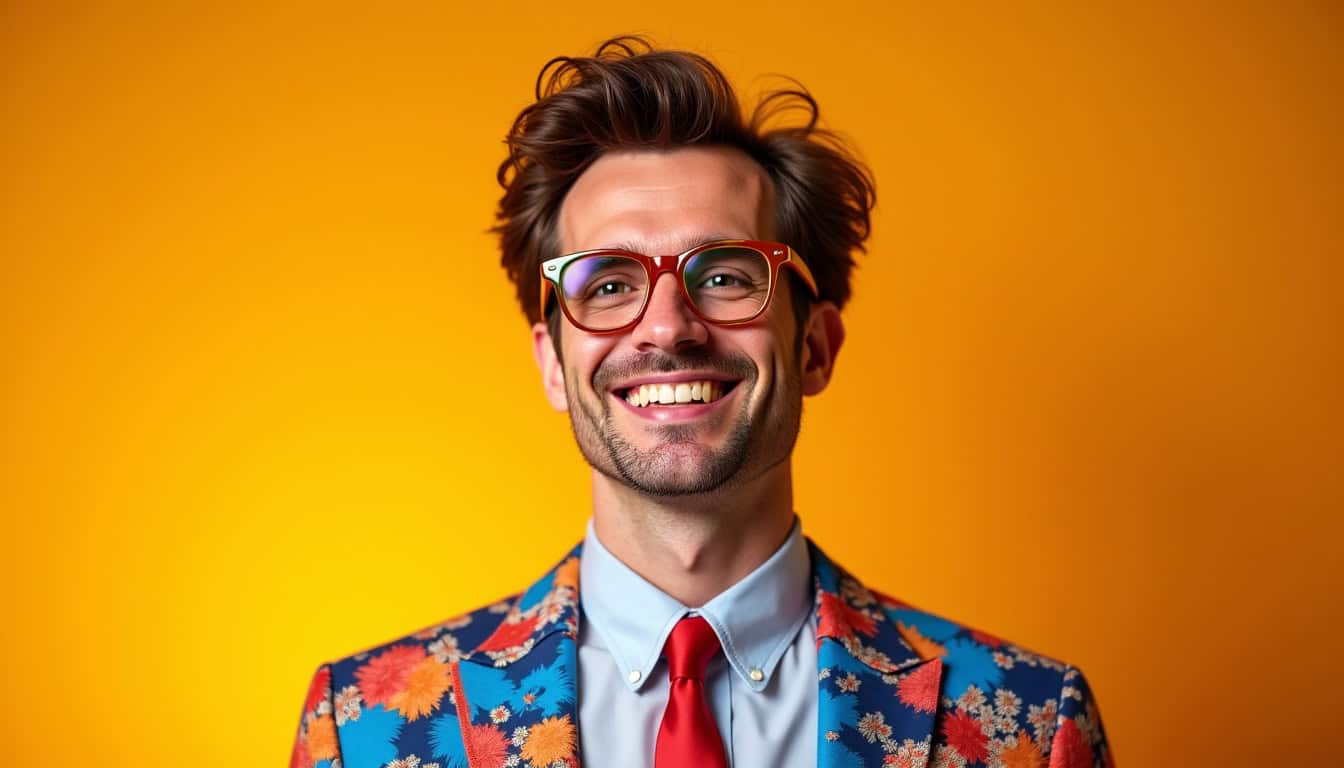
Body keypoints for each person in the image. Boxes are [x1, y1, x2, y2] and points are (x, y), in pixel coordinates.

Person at [289, 37, 1113, 768]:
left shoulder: (1030, 730)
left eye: (723, 276)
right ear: (552, 364)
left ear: (815, 346)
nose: (668, 327)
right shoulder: (363, 729)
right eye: (608, 284)